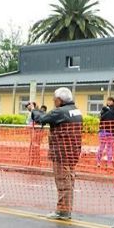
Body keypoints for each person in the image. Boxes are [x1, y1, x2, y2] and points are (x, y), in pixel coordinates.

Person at [27, 87, 82, 220]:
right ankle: (66, 210)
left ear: (60, 100)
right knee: (69, 182)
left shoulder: (60, 112)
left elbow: (42, 118)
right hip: (73, 152)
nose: (53, 101)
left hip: (61, 153)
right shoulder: (75, 110)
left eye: (54, 99)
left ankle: (62, 211)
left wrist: (33, 110)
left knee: (63, 182)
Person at [97, 97, 114, 168]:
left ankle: (98, 162)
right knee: (110, 148)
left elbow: (100, 121)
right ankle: (109, 163)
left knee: (101, 147)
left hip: (103, 132)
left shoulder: (104, 113)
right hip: (111, 133)